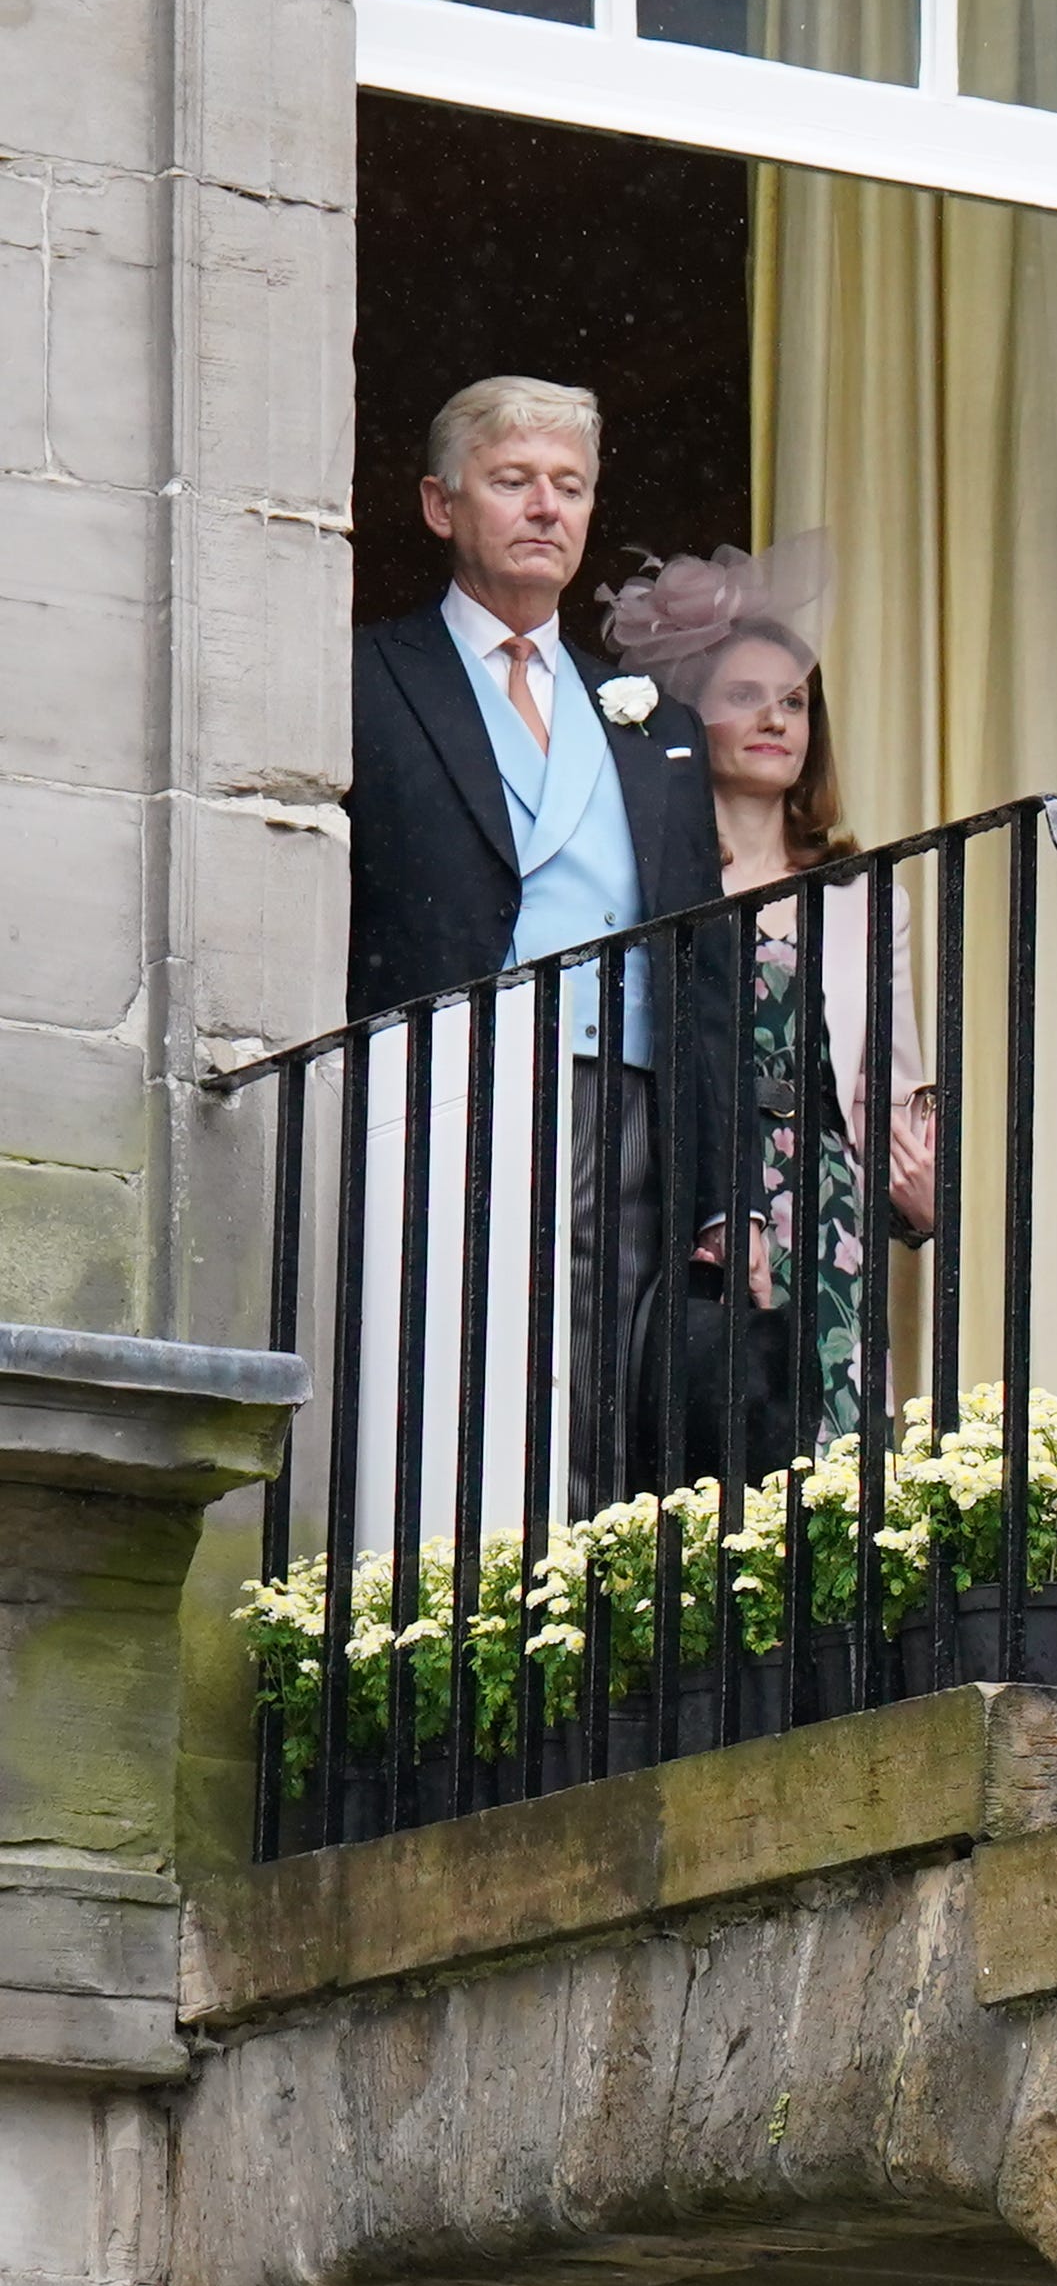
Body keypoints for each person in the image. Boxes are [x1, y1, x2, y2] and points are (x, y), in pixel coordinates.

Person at [343, 373, 735, 1500]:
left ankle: (580, 1622)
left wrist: (721, 1187)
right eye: (512, 481)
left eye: (569, 486)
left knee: (603, 1372)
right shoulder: (369, 674)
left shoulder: (651, 717)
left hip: (626, 1094)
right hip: (446, 1079)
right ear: (439, 504)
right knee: (454, 1359)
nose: (546, 508)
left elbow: (701, 964)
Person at [601, 542, 943, 1485]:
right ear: (690, 716)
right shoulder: (652, 874)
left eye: (793, 702)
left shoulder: (865, 896)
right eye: (746, 695)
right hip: (684, 1175)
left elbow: (895, 1085)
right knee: (693, 1441)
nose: (775, 719)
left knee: (822, 1452)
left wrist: (921, 1193)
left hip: (825, 1206)